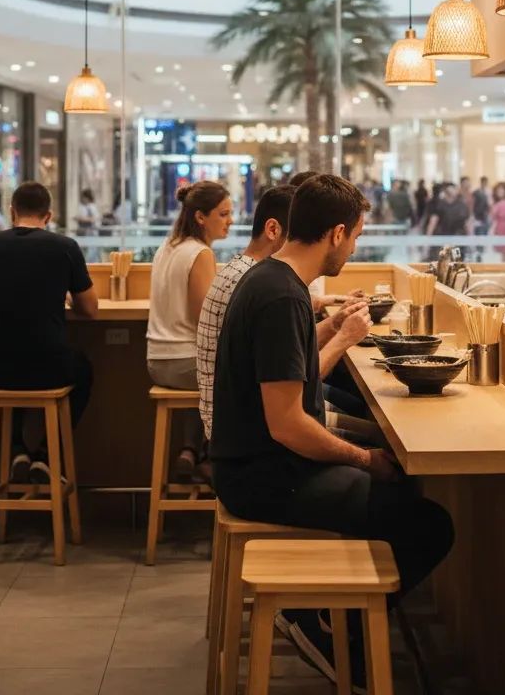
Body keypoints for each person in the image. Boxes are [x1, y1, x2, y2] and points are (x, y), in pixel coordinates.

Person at [210, 175, 454, 688]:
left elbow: (289, 369)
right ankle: (322, 623)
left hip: (256, 462)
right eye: (357, 236)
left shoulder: (275, 281)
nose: (355, 247)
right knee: (430, 525)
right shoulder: (282, 296)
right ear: (337, 233)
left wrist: (333, 327)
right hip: (262, 476)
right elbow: (288, 425)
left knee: (399, 488)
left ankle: (334, 615)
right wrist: (364, 460)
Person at [0, 181, 98, 482]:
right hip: (51, 368)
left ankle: (16, 450)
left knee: (14, 359)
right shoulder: (64, 247)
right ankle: (46, 455)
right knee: (82, 370)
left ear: (12, 212)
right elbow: (90, 309)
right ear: (48, 216)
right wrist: (65, 297)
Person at [147, 180, 232, 478]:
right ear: (200, 217)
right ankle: (215, 459)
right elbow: (205, 321)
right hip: (185, 365)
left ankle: (190, 451)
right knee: (243, 373)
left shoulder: (167, 248)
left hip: (157, 363)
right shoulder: (200, 253)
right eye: (223, 214)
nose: (230, 221)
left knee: (210, 370)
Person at [197, 185, 296, 440]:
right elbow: (295, 374)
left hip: (229, 416)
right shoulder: (257, 282)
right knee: (368, 429)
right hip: (239, 429)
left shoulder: (241, 268)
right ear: (272, 230)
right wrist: (342, 337)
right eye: (300, 237)